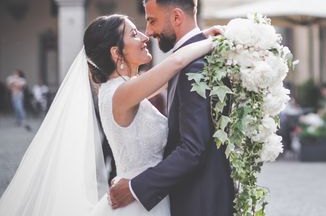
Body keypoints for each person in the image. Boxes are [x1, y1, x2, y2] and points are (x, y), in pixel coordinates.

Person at [0, 11, 218, 216]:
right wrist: (215, 40)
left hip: (147, 194)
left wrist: (198, 37)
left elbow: (167, 73)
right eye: (134, 34)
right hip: (138, 202)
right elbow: (176, 63)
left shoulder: (124, 88)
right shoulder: (120, 93)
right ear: (116, 52)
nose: (145, 37)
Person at [109, 0, 234, 216]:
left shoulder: (193, 67)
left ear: (177, 17)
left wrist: (136, 188)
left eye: (151, 20)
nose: (149, 32)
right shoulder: (196, 61)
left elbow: (192, 149)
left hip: (198, 202)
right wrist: (205, 39)